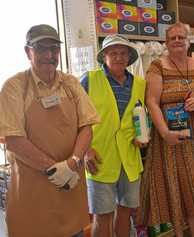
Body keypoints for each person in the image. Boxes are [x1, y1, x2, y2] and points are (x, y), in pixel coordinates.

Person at [0, 24, 100, 237]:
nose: (49, 55)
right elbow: (13, 140)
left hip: (70, 190)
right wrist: (56, 170)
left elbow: (86, 127)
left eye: (54, 49)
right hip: (32, 195)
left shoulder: (71, 84)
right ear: (28, 51)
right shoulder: (14, 87)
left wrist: (72, 162)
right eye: (41, 48)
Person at [138, 22, 194, 237]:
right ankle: (178, 234)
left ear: (188, 41)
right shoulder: (157, 66)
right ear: (166, 43)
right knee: (174, 187)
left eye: (181, 37)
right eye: (172, 38)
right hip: (170, 139)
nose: (177, 40)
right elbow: (152, 102)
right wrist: (165, 133)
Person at [80, 34, 147, 237]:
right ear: (104, 56)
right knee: (103, 215)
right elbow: (75, 118)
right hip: (100, 157)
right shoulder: (89, 80)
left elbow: (141, 115)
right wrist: (85, 150)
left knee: (126, 211)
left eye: (123, 53)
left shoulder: (140, 84)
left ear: (129, 57)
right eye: (113, 53)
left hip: (129, 157)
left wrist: (142, 135)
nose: (119, 57)